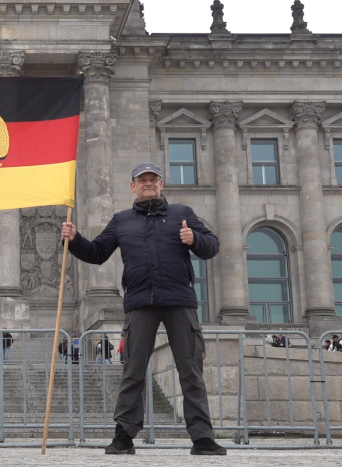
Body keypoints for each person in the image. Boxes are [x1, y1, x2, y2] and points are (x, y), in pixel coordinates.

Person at [62, 161, 226, 456]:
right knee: (133, 371)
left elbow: (212, 245)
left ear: (161, 184)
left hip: (179, 301)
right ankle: (124, 435)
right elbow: (97, 253)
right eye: (142, 180)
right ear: (133, 186)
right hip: (140, 303)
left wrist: (195, 239)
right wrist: (74, 240)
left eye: (153, 179)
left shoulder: (182, 214)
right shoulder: (122, 220)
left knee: (190, 371)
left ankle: (202, 437)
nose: (148, 183)